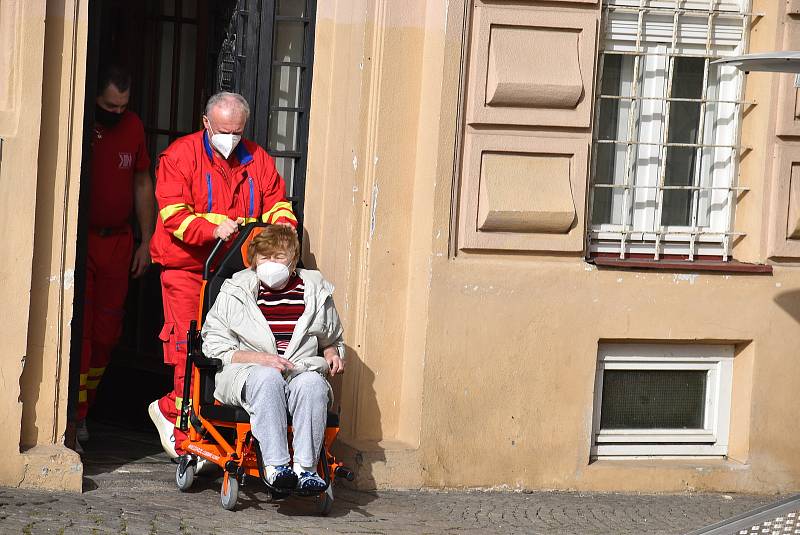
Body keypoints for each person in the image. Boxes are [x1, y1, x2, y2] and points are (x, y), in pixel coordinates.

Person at [148, 92, 297, 459]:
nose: (230, 138)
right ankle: (185, 432)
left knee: (238, 349)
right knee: (188, 347)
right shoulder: (180, 156)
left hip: (238, 272)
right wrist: (212, 227)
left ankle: (193, 419)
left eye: (237, 131)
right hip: (188, 268)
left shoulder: (256, 158)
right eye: (223, 130)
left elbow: (278, 202)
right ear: (206, 124)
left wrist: (282, 228)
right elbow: (174, 217)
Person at [201, 225, 345, 491]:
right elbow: (213, 345)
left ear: (292, 261)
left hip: (299, 369)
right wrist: (260, 359)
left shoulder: (315, 290)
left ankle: (306, 469)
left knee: (312, 384)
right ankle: (276, 466)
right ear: (254, 260)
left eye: (278, 257)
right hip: (248, 372)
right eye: (264, 257)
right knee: (268, 378)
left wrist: (332, 352)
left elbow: (331, 337)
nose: (270, 263)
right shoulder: (235, 290)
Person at [71, 65, 155, 450]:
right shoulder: (79, 120)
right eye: (109, 105)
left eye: (123, 106)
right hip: (80, 239)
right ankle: (76, 417)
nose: (117, 112)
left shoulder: (134, 126)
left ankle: (85, 408)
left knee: (106, 335)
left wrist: (146, 240)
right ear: (95, 98)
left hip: (118, 243)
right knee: (80, 334)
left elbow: (141, 182)